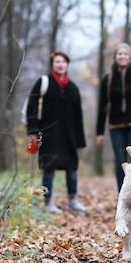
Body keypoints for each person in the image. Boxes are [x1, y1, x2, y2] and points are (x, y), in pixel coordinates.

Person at [26, 50, 88, 213]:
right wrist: (32, 132)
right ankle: (47, 202)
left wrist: (80, 141)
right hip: (48, 134)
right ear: (53, 65)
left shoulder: (73, 87)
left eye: (63, 62)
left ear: (67, 64)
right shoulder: (43, 83)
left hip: (70, 135)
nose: (60, 65)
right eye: (57, 62)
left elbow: (78, 115)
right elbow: (31, 108)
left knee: (72, 167)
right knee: (49, 167)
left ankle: (73, 200)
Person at [96, 42, 131, 191]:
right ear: (115, 57)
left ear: (130, 57)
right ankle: (123, 193)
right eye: (119, 54)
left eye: (125, 54)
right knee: (120, 161)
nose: (122, 56)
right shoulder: (107, 80)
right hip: (116, 127)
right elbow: (102, 107)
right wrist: (99, 132)